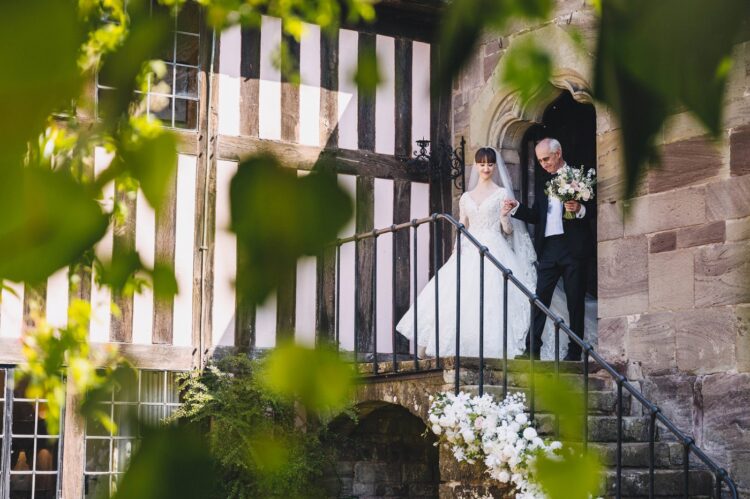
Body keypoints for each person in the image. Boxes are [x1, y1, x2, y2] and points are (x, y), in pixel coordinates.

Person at [396, 147, 565, 360]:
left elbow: (508, 231)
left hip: (495, 247)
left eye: (490, 164)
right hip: (469, 250)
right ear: (476, 166)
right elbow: (462, 227)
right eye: (482, 164)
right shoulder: (465, 197)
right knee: (457, 298)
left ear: (495, 167)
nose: (486, 168)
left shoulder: (501, 193)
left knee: (495, 298)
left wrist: (505, 216)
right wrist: (457, 253)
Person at [502, 138, 594, 361]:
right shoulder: (545, 181)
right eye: (540, 160)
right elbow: (536, 216)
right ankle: (531, 349)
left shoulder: (578, 177)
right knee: (539, 298)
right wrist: (517, 209)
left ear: (558, 153)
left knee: (574, 302)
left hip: (573, 248)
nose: (543, 164)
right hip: (549, 249)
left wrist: (579, 208)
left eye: (546, 159)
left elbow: (595, 209)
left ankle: (575, 352)